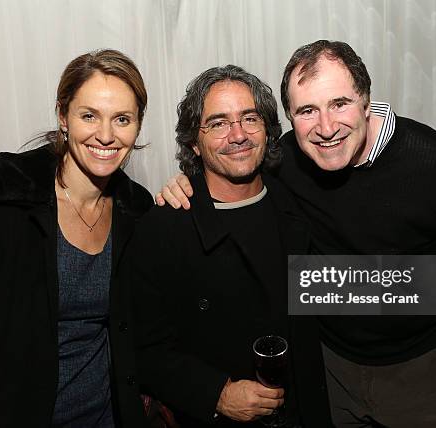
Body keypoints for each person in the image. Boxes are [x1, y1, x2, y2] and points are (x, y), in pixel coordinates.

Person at [156, 40, 436, 427]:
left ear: (366, 99)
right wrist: (190, 185)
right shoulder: (287, 160)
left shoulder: (435, 162)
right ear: (289, 118)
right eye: (307, 111)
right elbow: (234, 169)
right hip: (326, 367)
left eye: (340, 103)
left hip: (422, 372)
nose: (326, 128)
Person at [0, 49, 153, 427]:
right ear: (63, 116)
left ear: (138, 126)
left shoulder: (137, 211)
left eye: (122, 119)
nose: (106, 135)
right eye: (89, 115)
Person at [131, 65, 329, 427]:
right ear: (194, 140)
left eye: (249, 118)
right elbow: (142, 348)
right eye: (219, 123)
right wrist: (216, 393)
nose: (237, 135)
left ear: (268, 130)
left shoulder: (299, 203)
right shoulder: (163, 227)